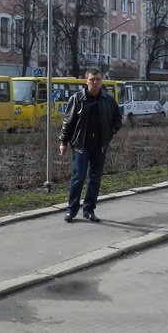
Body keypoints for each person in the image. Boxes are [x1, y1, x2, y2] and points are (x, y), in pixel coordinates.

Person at [58, 69, 122, 223]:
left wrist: (111, 132)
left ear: (101, 81)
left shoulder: (107, 100)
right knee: (78, 177)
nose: (95, 82)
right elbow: (68, 122)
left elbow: (118, 119)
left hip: (100, 145)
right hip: (81, 144)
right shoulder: (77, 98)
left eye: (98, 80)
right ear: (85, 81)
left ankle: (89, 210)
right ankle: (71, 210)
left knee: (94, 178)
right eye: (92, 79)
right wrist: (63, 142)